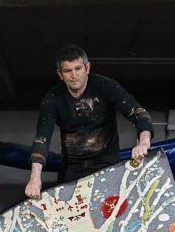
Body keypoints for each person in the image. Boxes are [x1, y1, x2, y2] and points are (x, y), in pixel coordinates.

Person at [25, 44, 154, 199]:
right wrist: (35, 177)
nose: (74, 75)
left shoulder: (106, 86)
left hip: (107, 163)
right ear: (60, 74)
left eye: (78, 69)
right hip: (72, 168)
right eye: (67, 71)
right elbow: (42, 139)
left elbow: (138, 114)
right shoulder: (52, 99)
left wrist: (143, 143)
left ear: (87, 68)